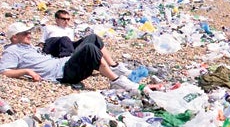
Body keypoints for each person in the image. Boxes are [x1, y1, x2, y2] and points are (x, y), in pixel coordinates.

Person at [0, 22, 136, 91]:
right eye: (25, 33)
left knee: (93, 38)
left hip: (64, 62)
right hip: (63, 73)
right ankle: (115, 81)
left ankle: (114, 67)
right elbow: (5, 71)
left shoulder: (26, 46)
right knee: (89, 49)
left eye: (29, 32)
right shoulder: (12, 51)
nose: (29, 35)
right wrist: (27, 71)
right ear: (14, 37)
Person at [40, 10, 129, 77]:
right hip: (55, 46)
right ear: (56, 19)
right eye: (63, 19)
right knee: (65, 39)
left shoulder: (70, 30)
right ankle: (68, 64)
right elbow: (42, 43)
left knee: (93, 37)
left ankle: (113, 65)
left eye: (68, 19)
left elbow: (70, 45)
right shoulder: (49, 28)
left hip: (67, 47)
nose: (66, 21)